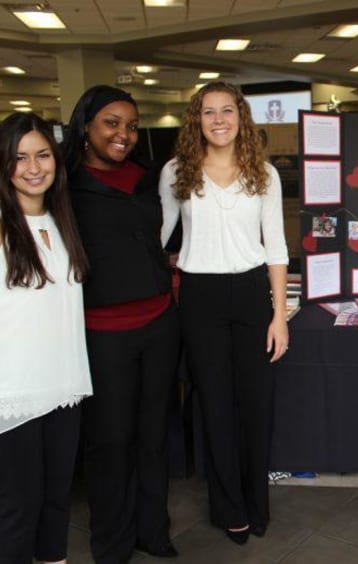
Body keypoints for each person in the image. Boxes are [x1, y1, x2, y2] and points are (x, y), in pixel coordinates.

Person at [159, 81, 289, 545]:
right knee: (214, 404)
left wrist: (278, 316)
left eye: (227, 111)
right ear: (197, 120)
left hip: (253, 294)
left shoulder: (264, 174)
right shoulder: (178, 172)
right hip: (200, 298)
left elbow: (275, 248)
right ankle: (228, 506)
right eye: (208, 112)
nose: (218, 120)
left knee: (256, 404)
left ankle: (257, 502)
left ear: (241, 117)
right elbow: (157, 237)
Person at [62, 85, 180, 562]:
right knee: (110, 440)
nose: (124, 135)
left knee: (154, 434)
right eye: (112, 123)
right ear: (86, 127)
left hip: (158, 324)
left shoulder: (148, 177)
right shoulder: (63, 184)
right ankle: (111, 542)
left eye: (131, 126)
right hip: (101, 333)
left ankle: (153, 529)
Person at [0, 112, 91, 564]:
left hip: (65, 387)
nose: (33, 167)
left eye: (42, 155)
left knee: (57, 503)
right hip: (14, 394)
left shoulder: (61, 221)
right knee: (19, 509)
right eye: (19, 158)